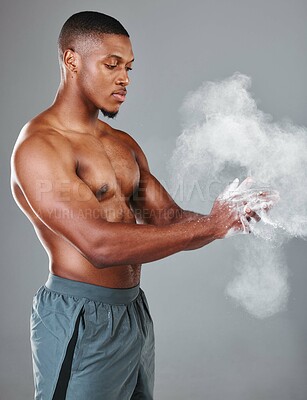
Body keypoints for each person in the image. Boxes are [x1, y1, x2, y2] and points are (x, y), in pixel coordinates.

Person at [10, 11, 274, 400]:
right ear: (71, 61)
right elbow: (98, 247)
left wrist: (230, 214)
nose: (125, 79)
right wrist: (212, 225)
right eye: (112, 65)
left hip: (133, 312)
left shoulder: (122, 143)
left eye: (129, 67)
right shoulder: (40, 147)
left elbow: (170, 220)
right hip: (80, 317)